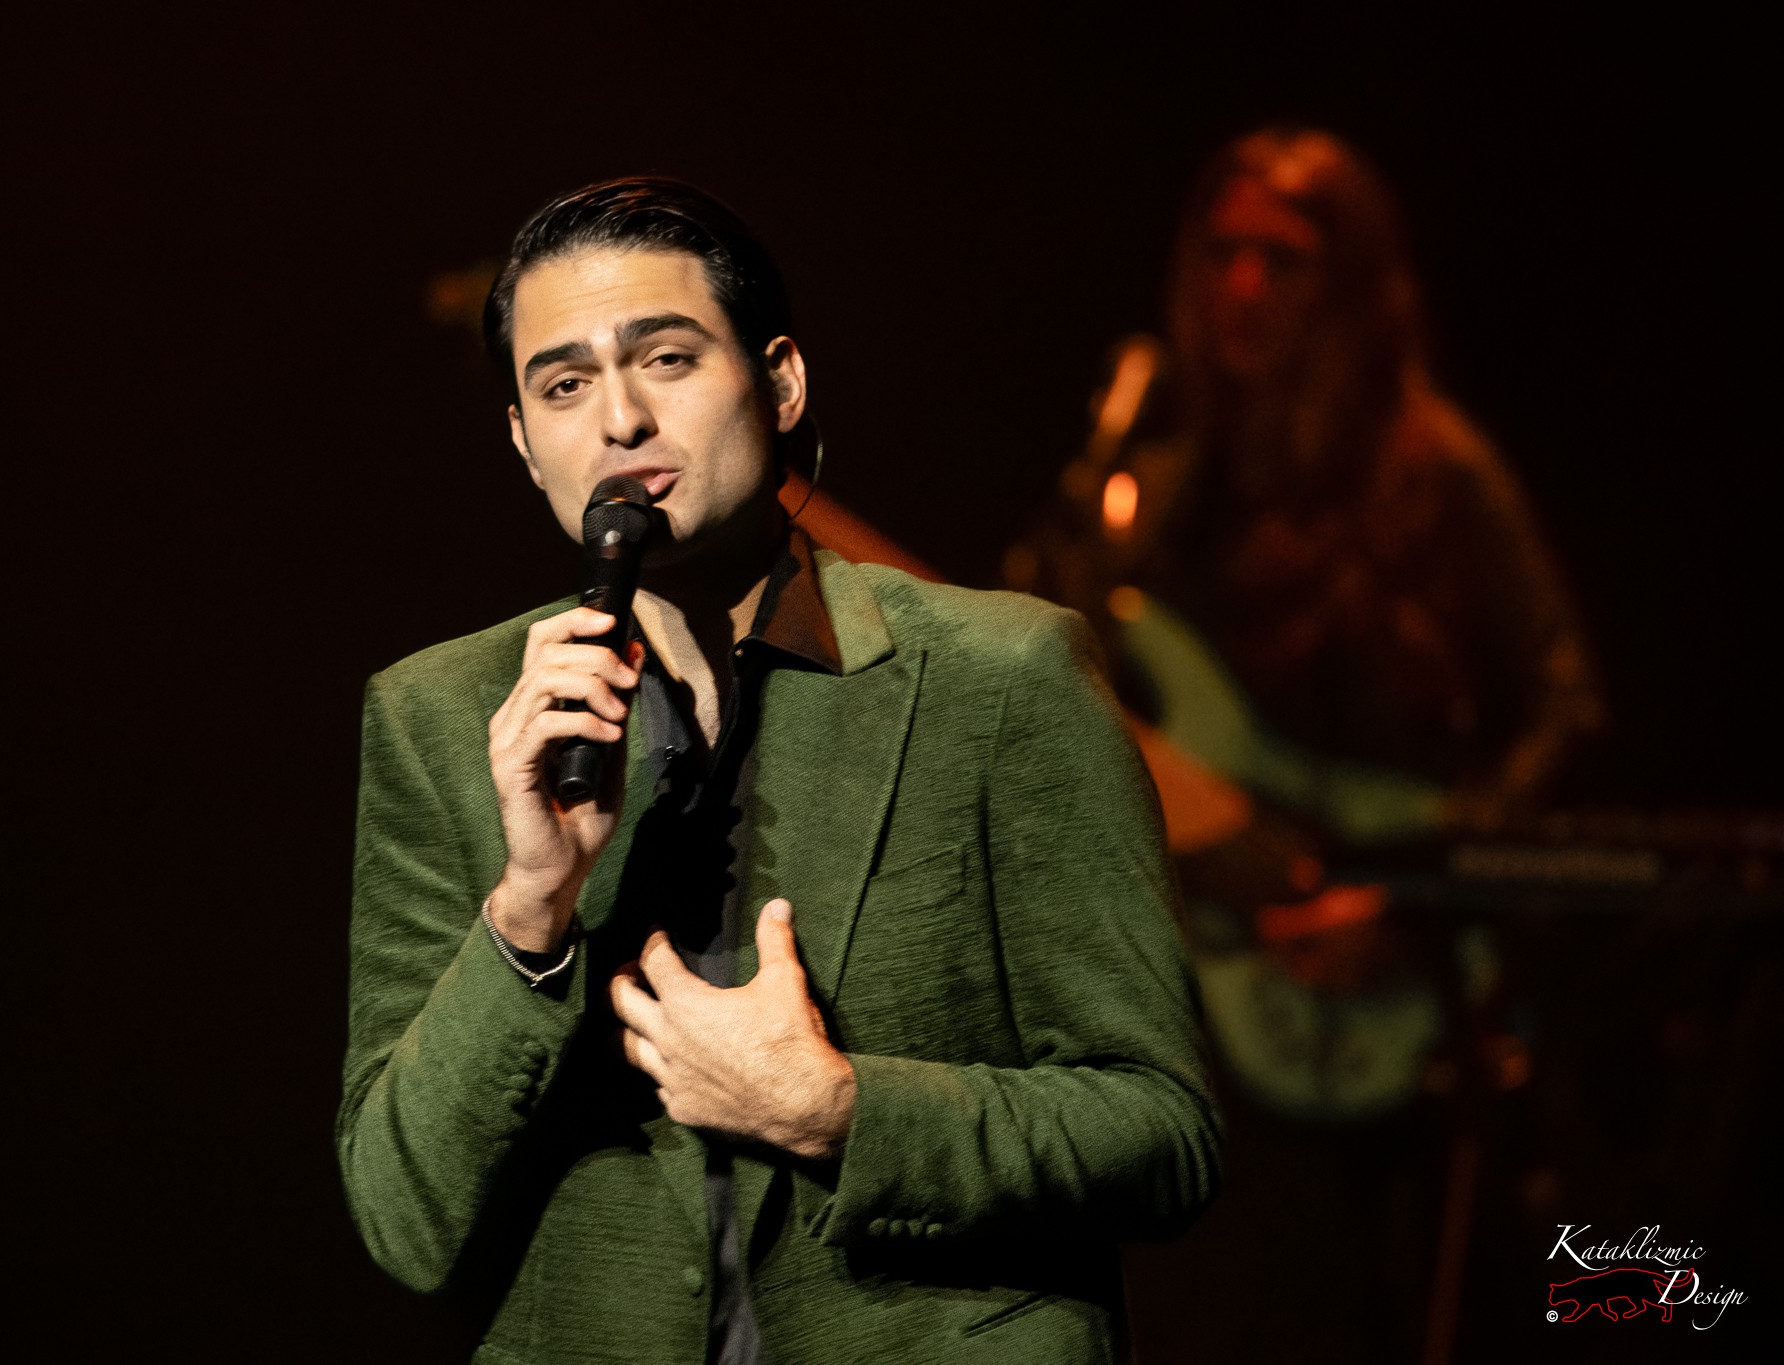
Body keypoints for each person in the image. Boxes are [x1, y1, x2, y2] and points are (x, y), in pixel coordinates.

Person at [337, 177, 1220, 1364]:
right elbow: (404, 1222)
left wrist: (841, 1111)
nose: (619, 420)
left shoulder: (1000, 678)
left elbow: (1163, 1135)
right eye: (563, 385)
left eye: (665, 359)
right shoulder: (438, 717)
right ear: (520, 440)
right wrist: (529, 910)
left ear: (781, 382)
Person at [1005, 129, 1604, 1362]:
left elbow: (1563, 706)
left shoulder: (1436, 471)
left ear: (1352, 286)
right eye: (1219, 252)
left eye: (1279, 259)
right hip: (1198, 992)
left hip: (1384, 994)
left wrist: (1414, 891)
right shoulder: (1163, 476)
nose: (1240, 287)